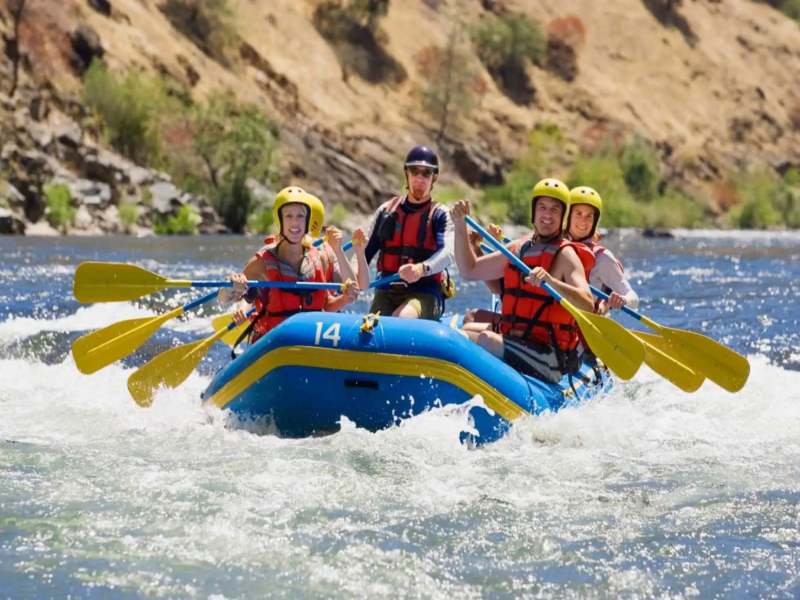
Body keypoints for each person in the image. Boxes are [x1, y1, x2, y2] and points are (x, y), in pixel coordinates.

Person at [450, 178, 595, 384]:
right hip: (515, 339)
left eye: (554, 209)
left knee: (487, 339)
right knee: (458, 337)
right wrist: (460, 226)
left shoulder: (566, 254)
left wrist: (552, 281)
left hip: (550, 356)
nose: (547, 214)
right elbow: (469, 270)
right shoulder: (517, 249)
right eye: (542, 207)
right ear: (533, 213)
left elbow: (588, 303)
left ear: (562, 217)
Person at [218, 187, 359, 343]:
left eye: (300, 215)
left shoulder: (320, 258)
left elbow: (325, 304)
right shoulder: (263, 261)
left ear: (307, 221)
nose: (295, 222)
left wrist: (345, 299)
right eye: (289, 216)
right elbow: (223, 297)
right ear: (280, 220)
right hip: (273, 345)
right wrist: (231, 286)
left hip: (309, 342)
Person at [355, 145, 454, 320]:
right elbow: (364, 253)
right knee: (370, 328)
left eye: (426, 173)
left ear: (434, 178)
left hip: (425, 293)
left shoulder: (440, 215)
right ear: (406, 174)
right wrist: (350, 274)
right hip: (386, 292)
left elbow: (448, 253)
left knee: (402, 317)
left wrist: (421, 269)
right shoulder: (386, 211)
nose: (420, 178)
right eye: (414, 171)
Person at [566, 186, 639, 315]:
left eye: (589, 216)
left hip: (582, 329)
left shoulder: (602, 257)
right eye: (578, 214)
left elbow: (633, 299)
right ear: (567, 217)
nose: (583, 221)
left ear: (594, 221)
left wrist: (624, 300)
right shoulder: (554, 247)